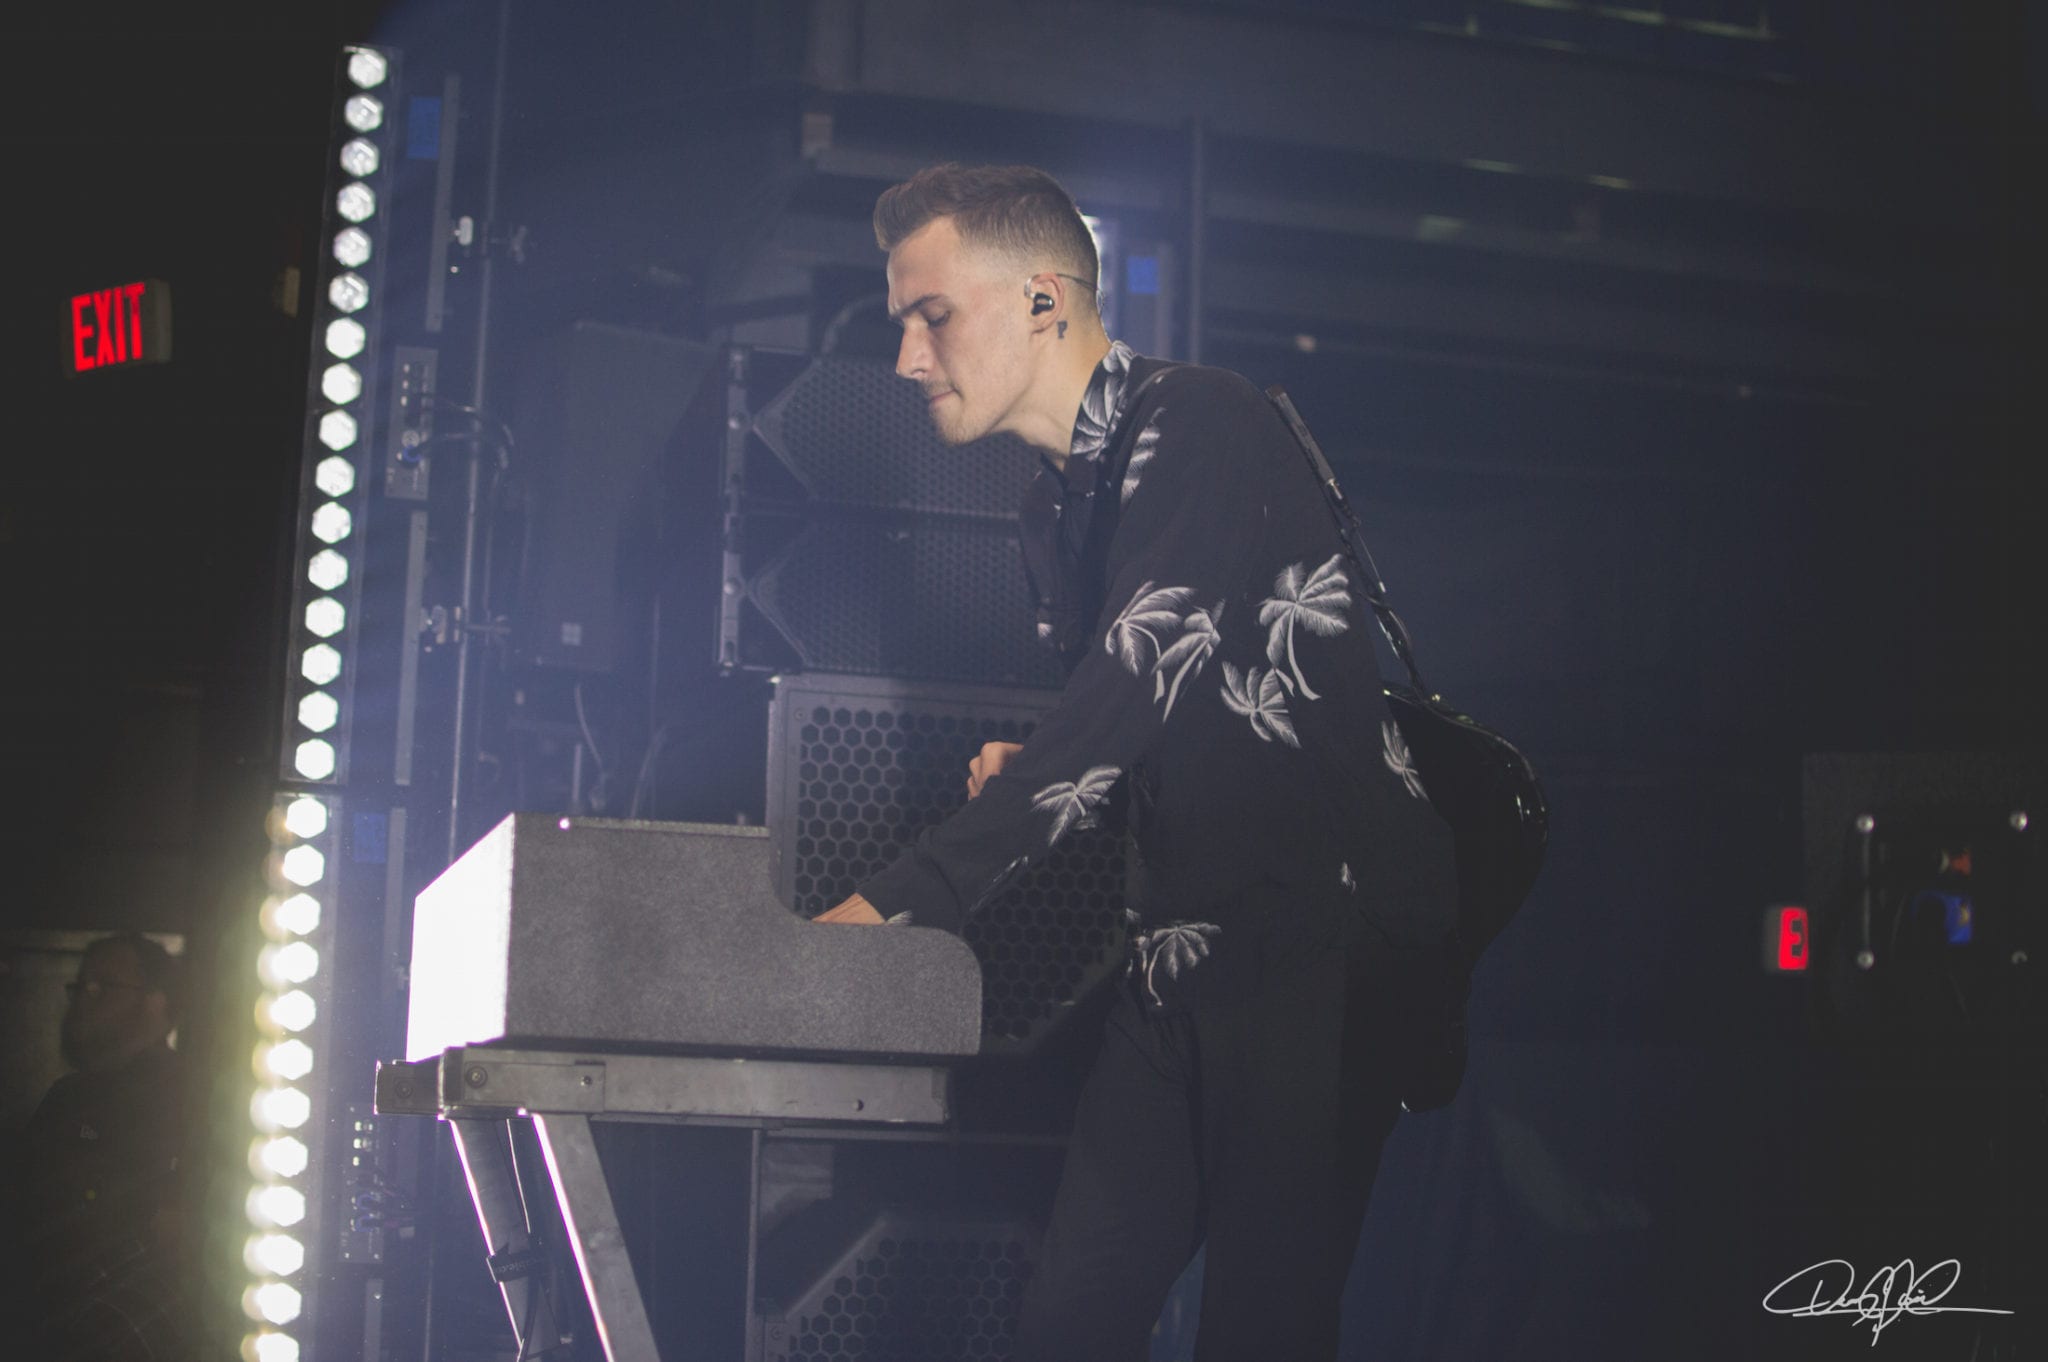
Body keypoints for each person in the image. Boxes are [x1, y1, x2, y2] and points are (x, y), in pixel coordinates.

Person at [813, 163, 1461, 1359]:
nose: (906, 359)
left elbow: (1127, 694)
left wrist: (897, 902)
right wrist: (1060, 756)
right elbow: (1146, 718)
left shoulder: (1200, 419)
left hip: (1313, 945)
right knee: (1064, 1326)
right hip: (1176, 959)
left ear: (1043, 299)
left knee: (1261, 1334)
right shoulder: (1050, 510)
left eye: (931, 315)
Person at [11, 933, 191, 1361]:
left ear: (157, 1002)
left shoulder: (187, 1096)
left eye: (103, 986)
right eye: (79, 986)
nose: (83, 1000)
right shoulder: (67, 1096)